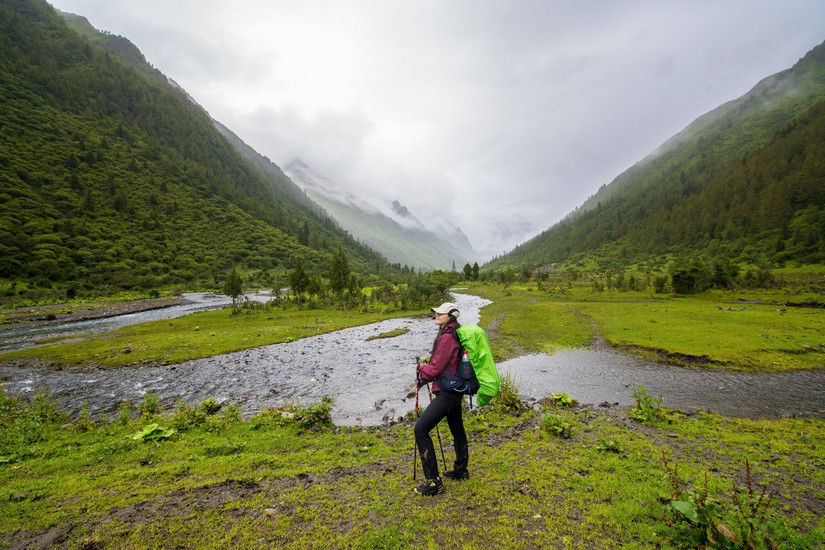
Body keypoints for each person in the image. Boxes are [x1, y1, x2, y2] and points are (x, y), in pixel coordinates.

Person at [413, 301, 470, 496]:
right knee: (457, 429)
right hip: (455, 389)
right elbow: (442, 364)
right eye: (436, 312)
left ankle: (434, 482)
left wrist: (421, 369)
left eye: (440, 313)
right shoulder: (453, 333)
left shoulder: (447, 338)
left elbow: (436, 369)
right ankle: (461, 470)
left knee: (420, 429)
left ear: (451, 316)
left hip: (447, 392)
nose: (436, 315)